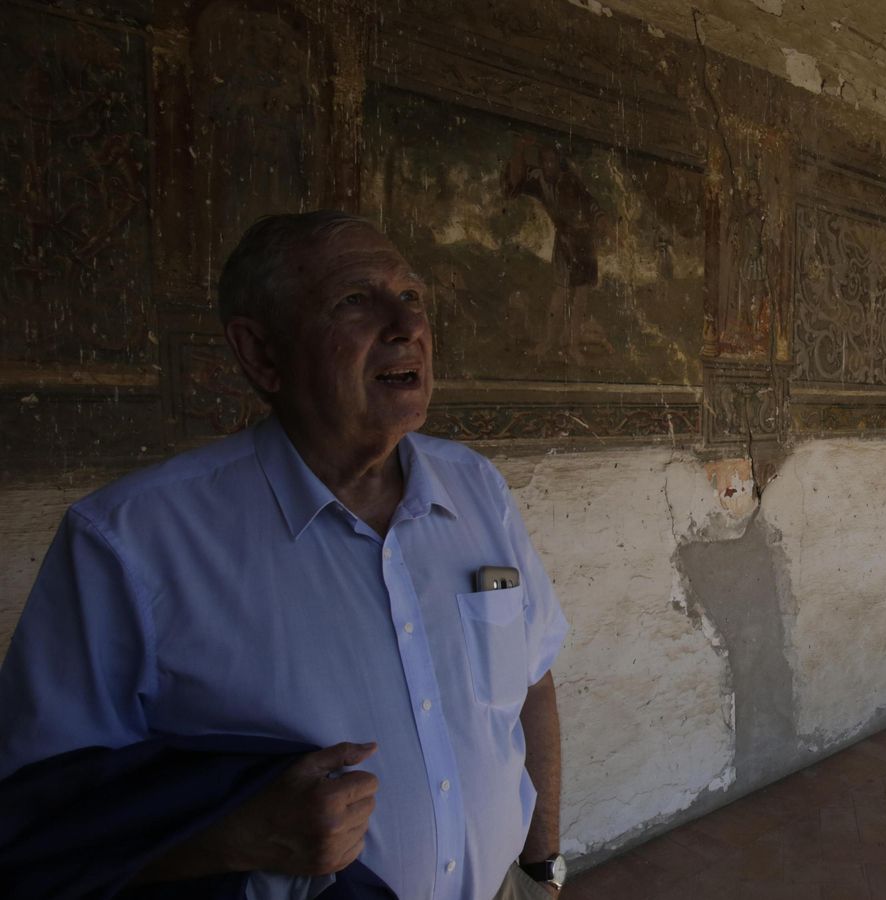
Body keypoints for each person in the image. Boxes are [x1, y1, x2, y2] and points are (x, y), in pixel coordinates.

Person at [0, 211, 569, 899]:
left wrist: (542, 867)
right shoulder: (130, 543)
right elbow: (35, 829)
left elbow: (532, 682)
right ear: (261, 355)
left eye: (411, 296)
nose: (405, 325)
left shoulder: (477, 490)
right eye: (356, 300)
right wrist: (229, 836)